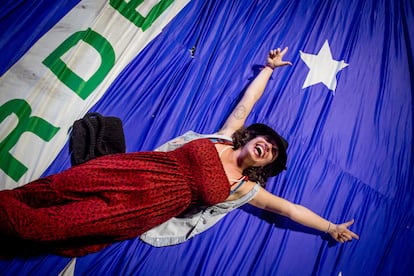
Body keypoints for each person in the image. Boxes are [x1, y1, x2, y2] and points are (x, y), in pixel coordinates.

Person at [0, 47, 358, 258]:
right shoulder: (224, 136)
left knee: (47, 226)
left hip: (137, 210)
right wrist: (267, 69)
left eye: (272, 154)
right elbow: (246, 104)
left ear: (264, 164)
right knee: (42, 192)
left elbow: (290, 209)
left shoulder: (243, 188)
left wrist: (330, 227)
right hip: (126, 171)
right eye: (268, 141)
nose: (268, 147)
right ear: (253, 138)